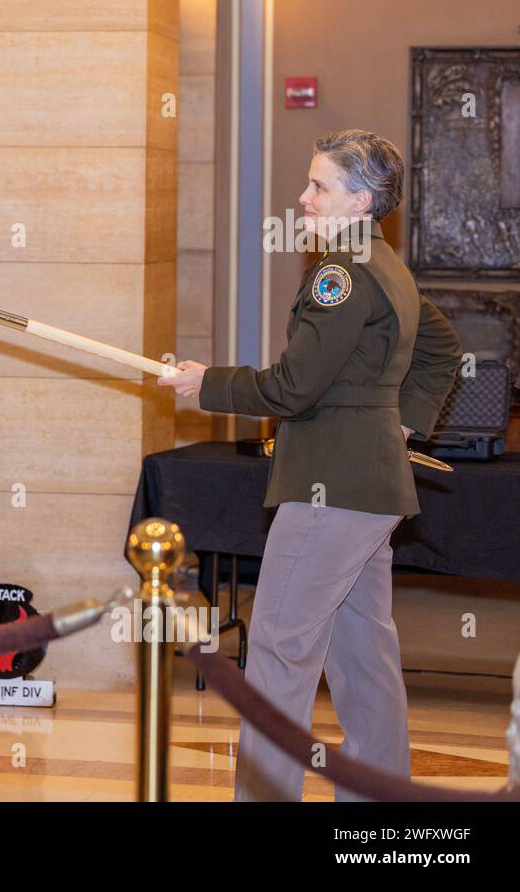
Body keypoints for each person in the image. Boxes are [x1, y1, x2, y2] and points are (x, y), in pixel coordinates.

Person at [158, 129, 460, 801]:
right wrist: (399, 421)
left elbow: (293, 387)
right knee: (363, 655)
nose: (302, 197)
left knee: (278, 651)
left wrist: (207, 383)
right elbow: (441, 347)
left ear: (361, 199)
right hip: (374, 489)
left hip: (330, 492)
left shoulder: (342, 273)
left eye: (319, 185)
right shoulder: (388, 267)